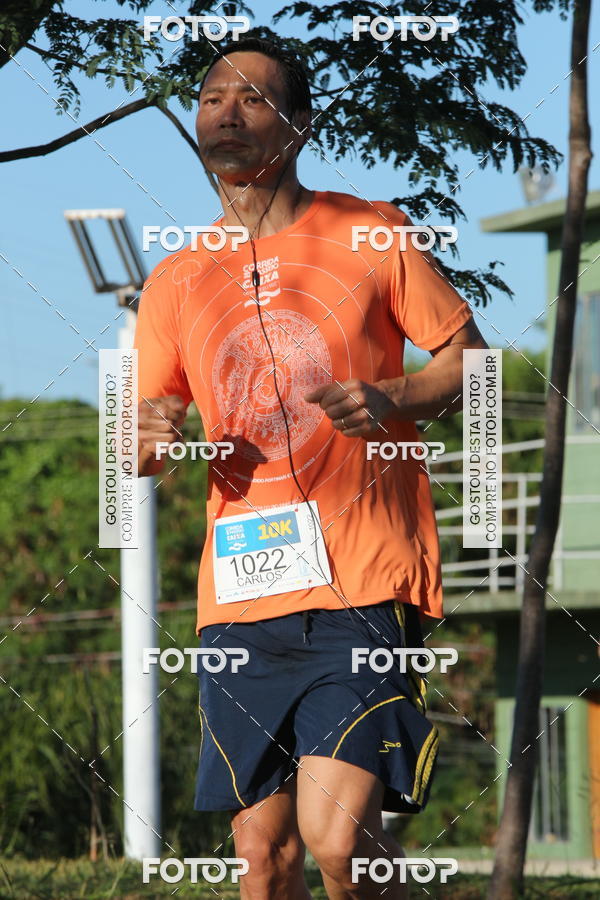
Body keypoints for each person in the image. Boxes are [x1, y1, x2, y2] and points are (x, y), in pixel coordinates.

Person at [135, 36, 488, 900]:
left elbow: (468, 364)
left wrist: (397, 395)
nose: (227, 112)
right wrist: (149, 433)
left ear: (298, 125)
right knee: (264, 858)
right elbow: (140, 440)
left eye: (254, 99)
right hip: (241, 597)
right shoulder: (175, 276)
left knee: (341, 846)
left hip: (360, 585)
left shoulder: (369, 231)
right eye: (213, 97)